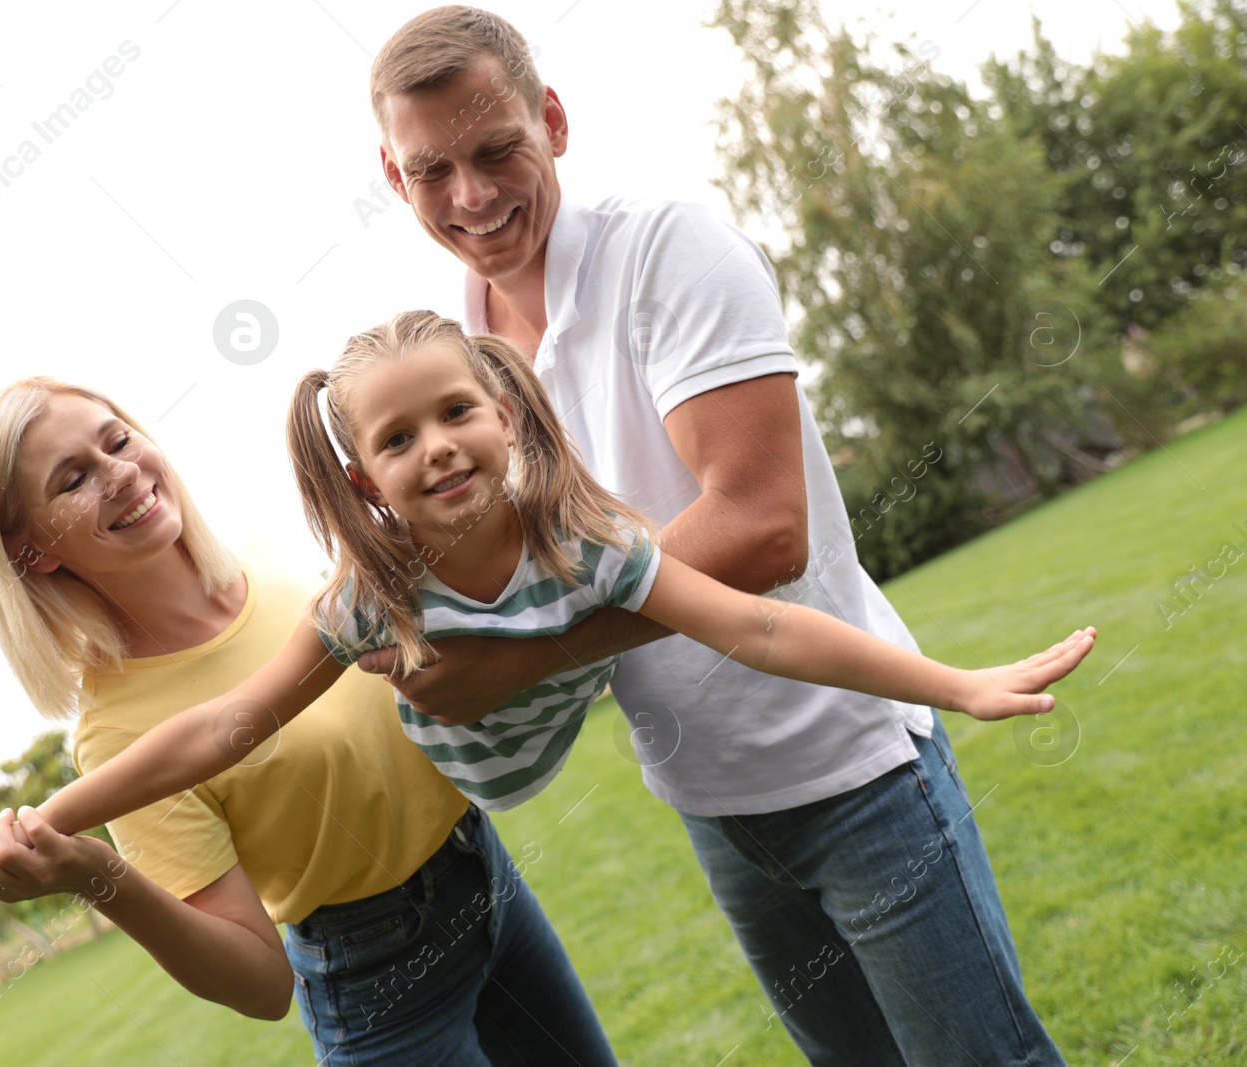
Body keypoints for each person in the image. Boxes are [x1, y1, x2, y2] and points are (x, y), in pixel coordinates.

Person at [355, 7, 1081, 1064]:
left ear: (551, 120)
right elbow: (516, 567)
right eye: (432, 170)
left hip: (849, 763)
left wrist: (518, 660)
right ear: (393, 175)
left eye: (497, 148)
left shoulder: (664, 248)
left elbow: (761, 525)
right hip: (709, 798)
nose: (471, 195)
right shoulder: (457, 364)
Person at [23, 311, 1091, 853]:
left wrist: (949, 682)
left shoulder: (583, 544)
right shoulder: (369, 593)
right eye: (398, 438)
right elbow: (224, 727)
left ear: (503, 412)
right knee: (359, 681)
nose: (437, 448)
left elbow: (757, 628)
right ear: (365, 477)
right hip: (448, 766)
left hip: (539, 721)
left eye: (454, 413)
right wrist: (55, 817)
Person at [0, 376, 621, 1067]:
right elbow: (262, 985)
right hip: (382, 987)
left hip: (486, 873)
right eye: (73, 479)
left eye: (116, 440)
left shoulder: (259, 552)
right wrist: (94, 872)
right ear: (31, 551)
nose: (120, 473)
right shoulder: (115, 732)